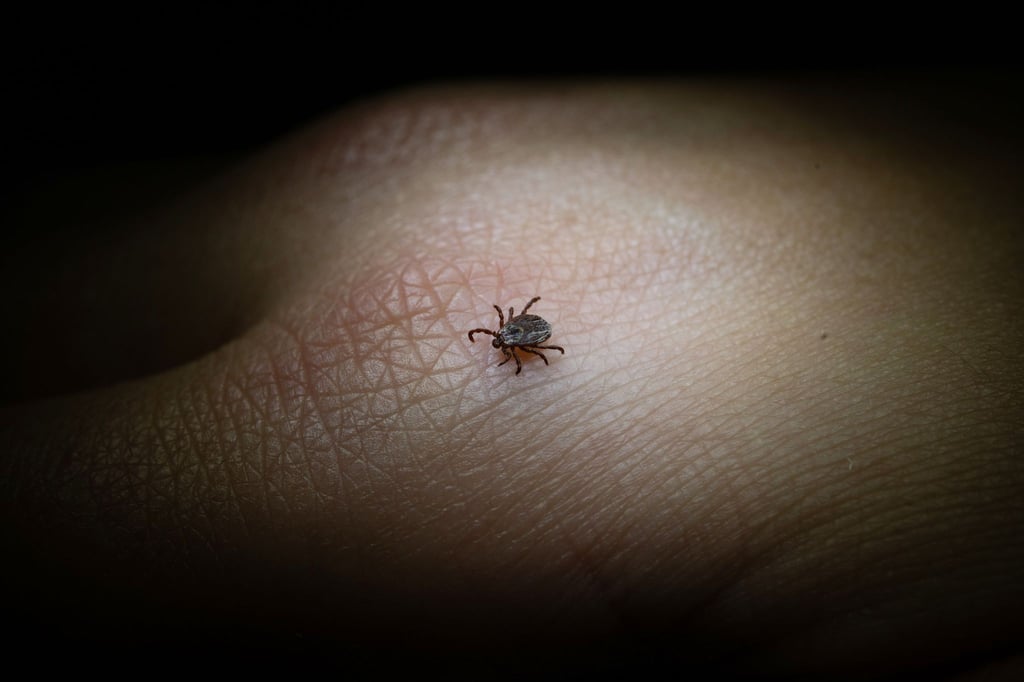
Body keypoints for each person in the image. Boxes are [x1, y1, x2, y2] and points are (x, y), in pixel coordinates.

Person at [2, 80, 1022, 677]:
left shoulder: (528, 342)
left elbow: (535, 334)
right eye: (510, 341)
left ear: (514, 343)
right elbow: (528, 326)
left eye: (512, 344)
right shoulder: (519, 337)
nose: (508, 344)